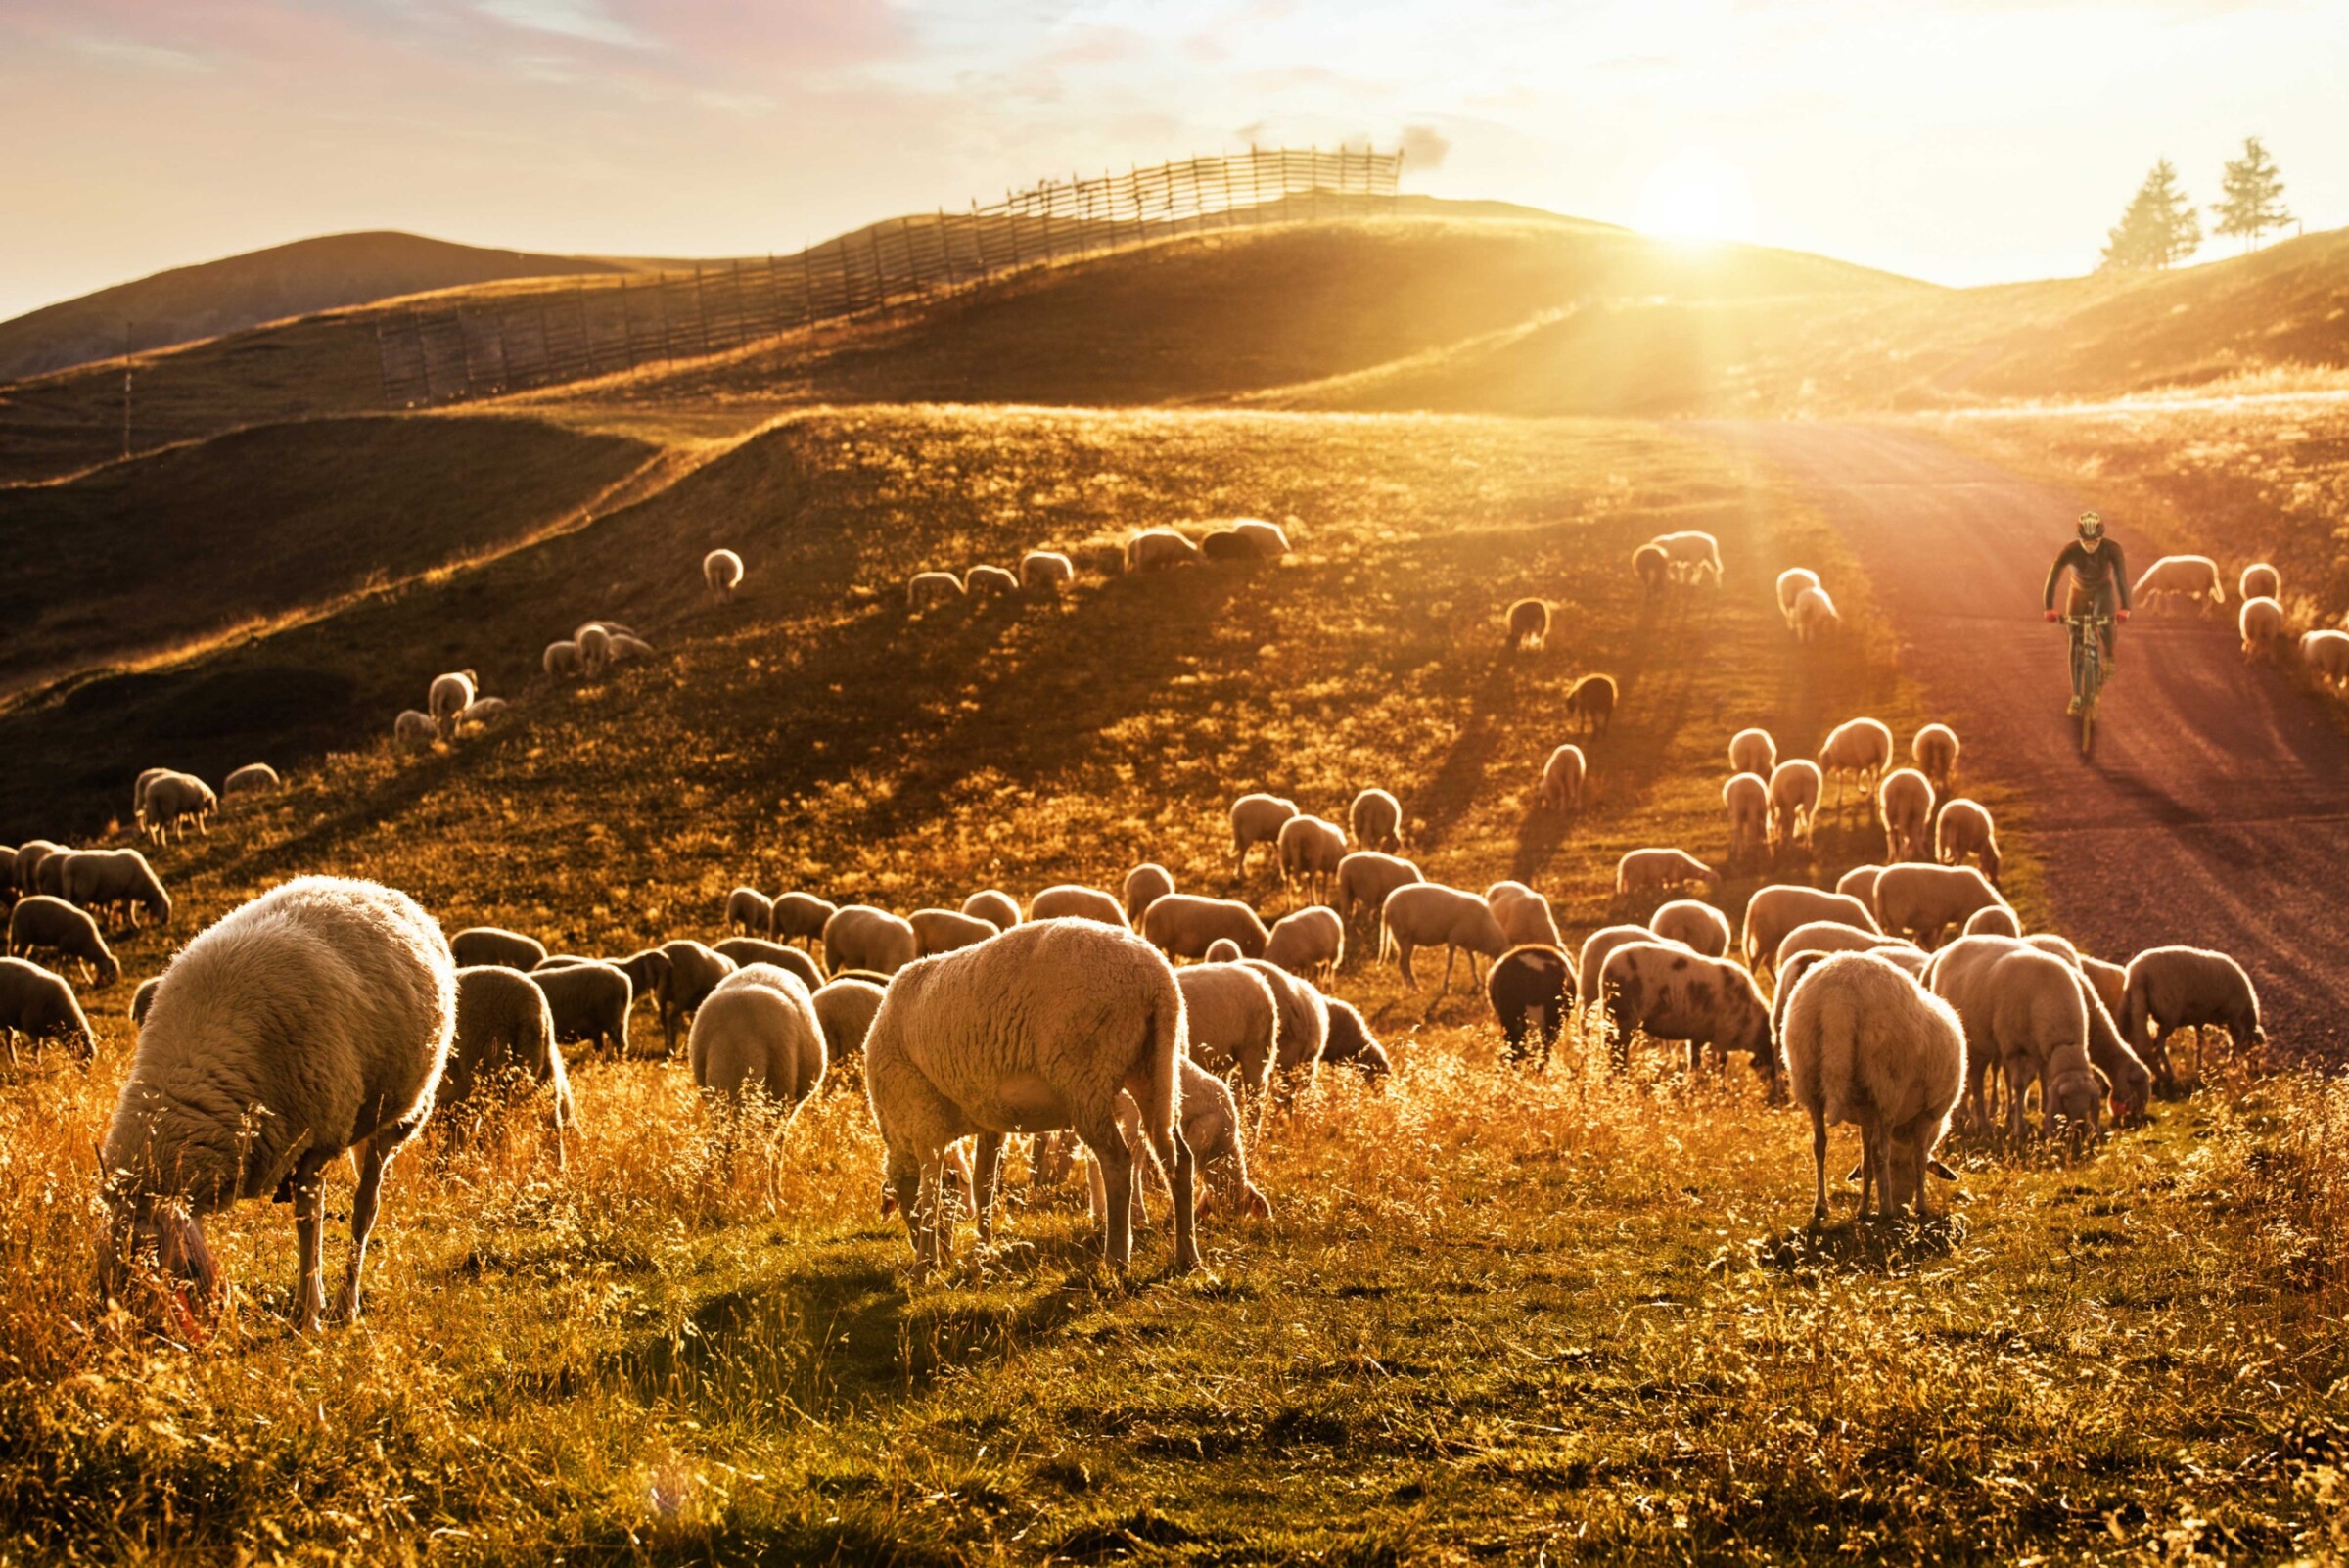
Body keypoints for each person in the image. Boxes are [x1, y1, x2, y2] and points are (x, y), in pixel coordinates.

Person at [2043, 510, 2131, 713]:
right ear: (2078, 538)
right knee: (2074, 638)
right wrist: (2048, 607)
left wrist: (2125, 607)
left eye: (2095, 542)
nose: (2090, 546)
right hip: (2078, 591)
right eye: (2086, 542)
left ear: (2101, 538)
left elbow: (2120, 578)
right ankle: (2076, 695)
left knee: (2106, 622)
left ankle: (2108, 655)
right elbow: (2053, 578)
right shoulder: (2070, 550)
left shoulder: (2112, 549)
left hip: (2102, 590)